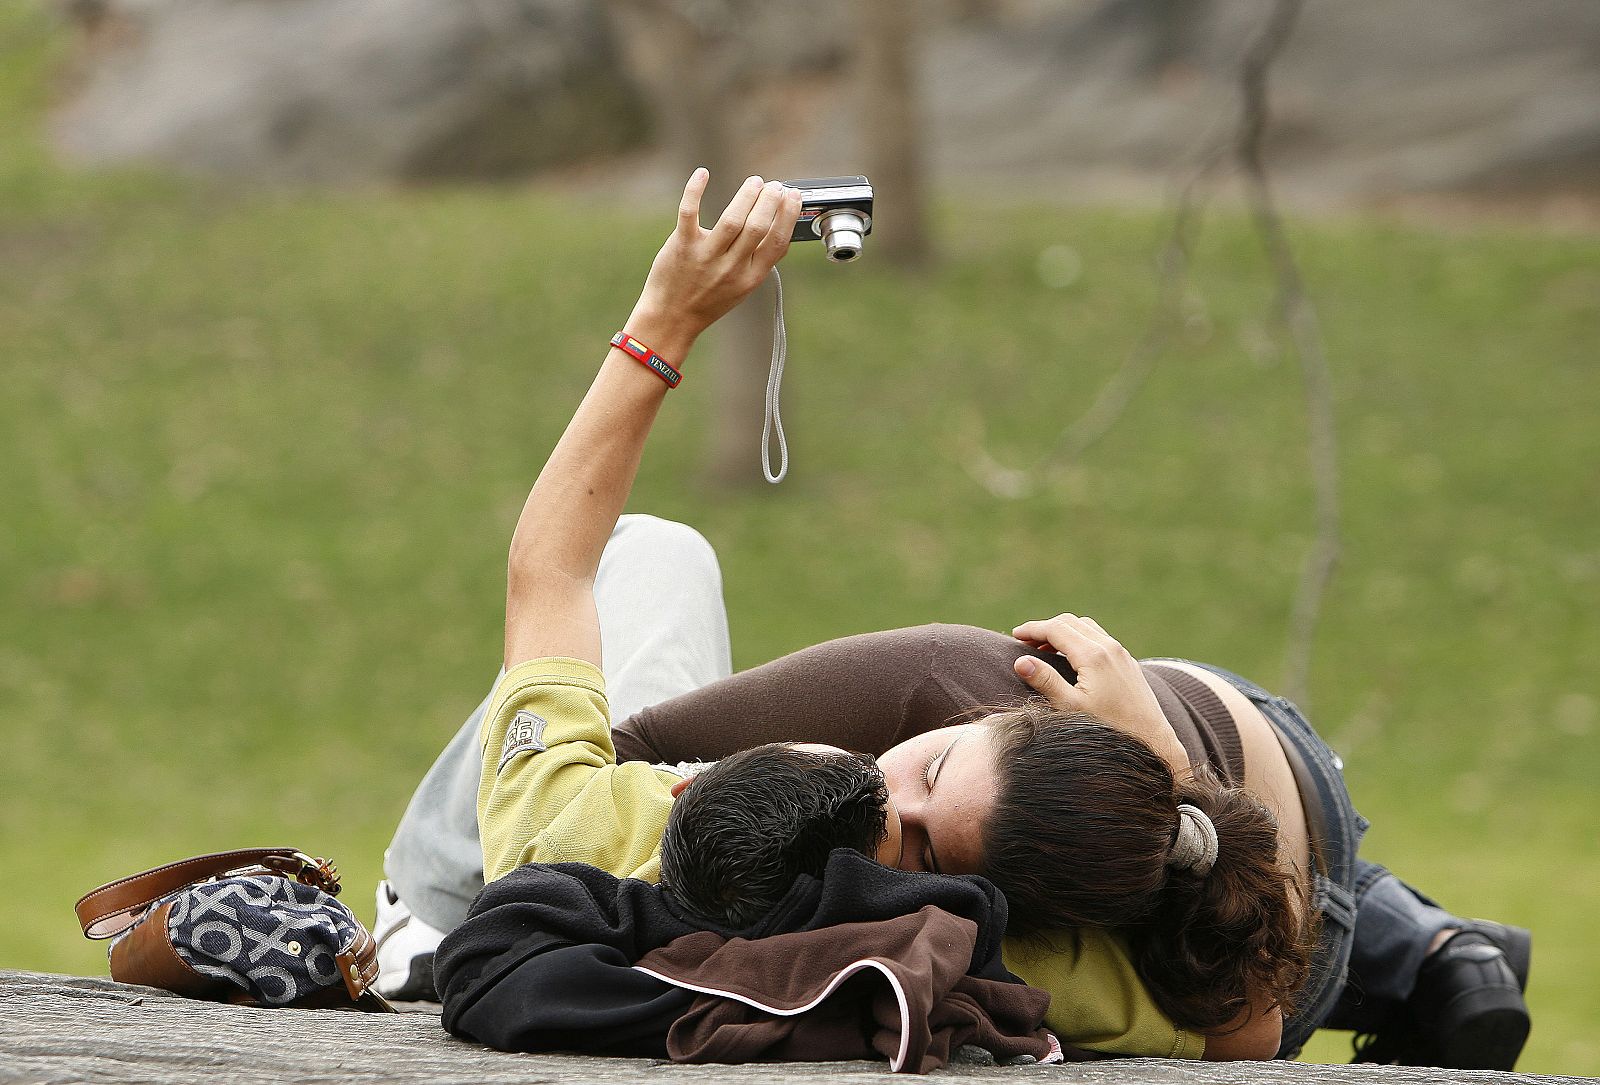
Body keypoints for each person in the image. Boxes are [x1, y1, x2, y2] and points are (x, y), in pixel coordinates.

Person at [375, 172, 1531, 1068]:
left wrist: (661, 321)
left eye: (919, 835)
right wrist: (1168, 762)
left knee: (727, 584)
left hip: (1238, 856)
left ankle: (1401, 929)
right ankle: (1406, 931)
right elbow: (1247, 1030)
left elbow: (553, 577)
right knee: (1220, 858)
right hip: (1264, 845)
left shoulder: (585, 830)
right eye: (925, 777)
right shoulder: (1011, 932)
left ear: (686, 788)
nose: (885, 794)